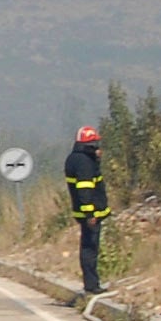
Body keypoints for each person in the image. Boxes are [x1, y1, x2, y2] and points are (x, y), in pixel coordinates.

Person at [65, 125, 110, 293]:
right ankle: (92, 285)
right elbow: (85, 190)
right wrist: (90, 214)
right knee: (90, 249)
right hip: (90, 214)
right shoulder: (84, 163)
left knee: (88, 248)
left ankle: (91, 283)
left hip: (84, 212)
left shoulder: (75, 159)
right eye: (94, 144)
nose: (97, 148)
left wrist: (96, 160)